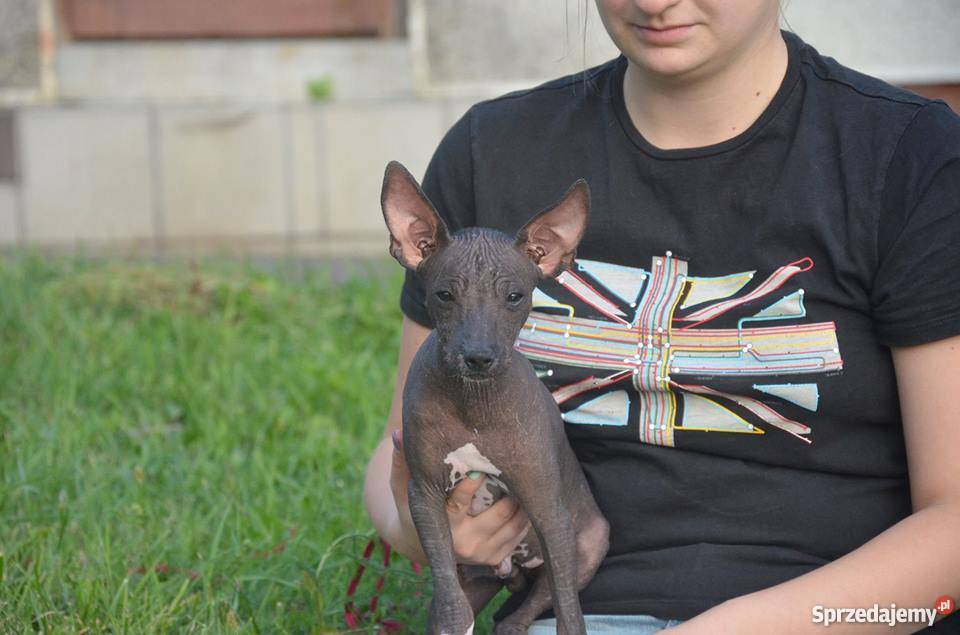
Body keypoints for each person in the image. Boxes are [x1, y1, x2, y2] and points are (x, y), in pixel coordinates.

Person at [364, 0, 960, 632]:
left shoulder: (905, 157)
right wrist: (427, 528)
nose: (653, 2)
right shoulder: (491, 151)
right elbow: (401, 452)